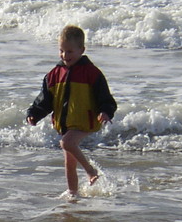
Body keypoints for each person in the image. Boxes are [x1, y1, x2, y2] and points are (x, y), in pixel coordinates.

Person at [26, 25, 117, 198]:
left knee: (66, 143)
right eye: (61, 51)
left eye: (69, 51)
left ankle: (91, 171)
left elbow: (105, 97)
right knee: (69, 162)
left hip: (86, 120)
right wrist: (34, 113)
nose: (65, 56)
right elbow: (45, 100)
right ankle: (73, 194)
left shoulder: (92, 73)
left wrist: (105, 111)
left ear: (81, 50)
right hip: (66, 122)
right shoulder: (53, 74)